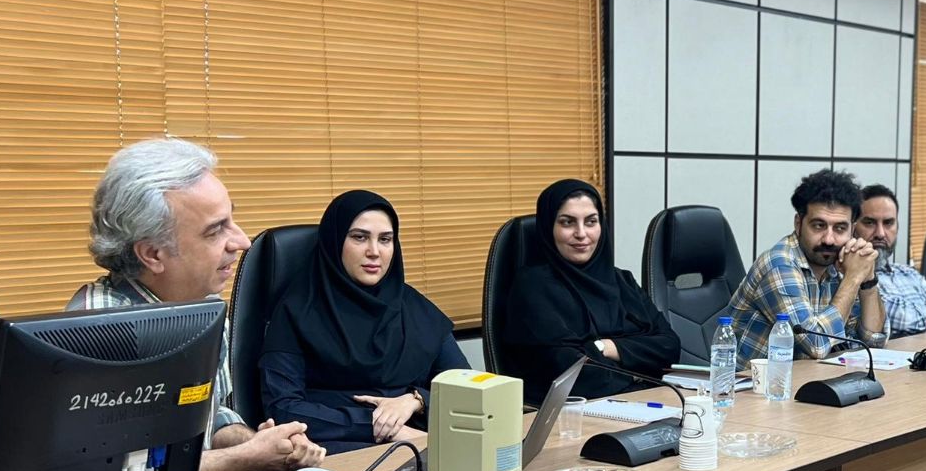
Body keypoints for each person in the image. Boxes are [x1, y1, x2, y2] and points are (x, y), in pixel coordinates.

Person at [70, 137, 324, 471]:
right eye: (215, 231)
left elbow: (210, 419)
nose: (242, 241)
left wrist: (268, 446)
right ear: (153, 254)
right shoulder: (100, 329)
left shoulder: (204, 305)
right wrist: (246, 456)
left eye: (231, 219)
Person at [258, 191, 464, 449]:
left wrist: (415, 400)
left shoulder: (414, 308)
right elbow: (282, 408)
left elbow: (467, 388)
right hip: (336, 448)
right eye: (359, 237)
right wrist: (378, 425)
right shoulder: (296, 311)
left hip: (424, 441)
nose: (374, 252)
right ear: (335, 241)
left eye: (385, 239)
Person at [501, 180, 682, 408]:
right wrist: (639, 370)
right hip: (572, 412)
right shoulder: (533, 287)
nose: (581, 233)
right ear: (548, 228)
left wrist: (604, 347)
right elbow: (570, 370)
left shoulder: (621, 281)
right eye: (567, 222)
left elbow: (669, 346)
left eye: (591, 222)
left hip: (644, 401)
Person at [728, 169, 884, 360]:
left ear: (852, 230)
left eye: (840, 228)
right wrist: (853, 279)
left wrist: (868, 281)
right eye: (819, 226)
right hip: (754, 379)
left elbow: (873, 342)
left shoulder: (842, 263)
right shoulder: (779, 264)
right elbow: (816, 344)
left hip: (811, 376)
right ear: (798, 223)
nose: (829, 239)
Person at [853, 184, 926, 336]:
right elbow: (905, 319)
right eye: (869, 222)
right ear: (853, 227)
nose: (880, 233)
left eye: (888, 223)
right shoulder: (849, 277)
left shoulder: (907, 272)